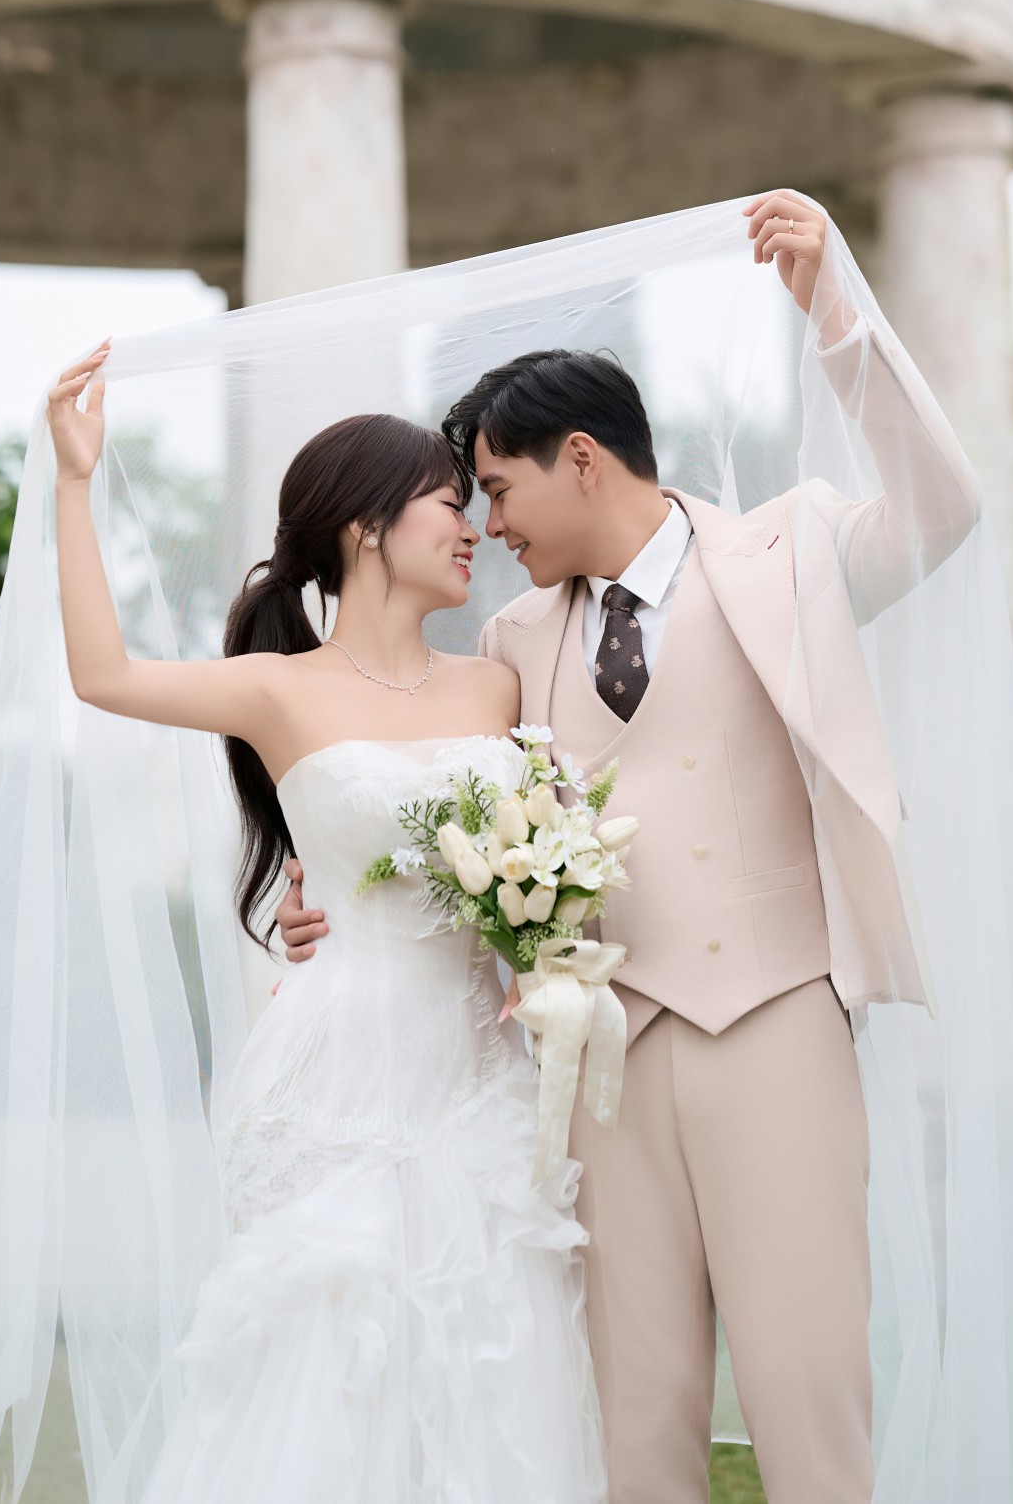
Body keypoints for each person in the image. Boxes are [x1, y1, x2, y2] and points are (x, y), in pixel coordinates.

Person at [276, 188, 984, 1504]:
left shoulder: (790, 550)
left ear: (582, 458)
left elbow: (943, 507)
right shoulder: (508, 646)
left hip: (776, 1021)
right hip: (594, 1065)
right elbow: (416, 788)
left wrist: (836, 310)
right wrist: (329, 884)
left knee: (807, 1396)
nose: (489, 528)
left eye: (499, 489)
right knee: (635, 1422)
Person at [45, 378, 606, 1503]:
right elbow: (102, 675)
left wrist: (542, 939)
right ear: (365, 526)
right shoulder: (275, 689)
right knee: (329, 1353)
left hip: (481, 1075)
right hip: (339, 1071)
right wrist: (72, 478)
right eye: (449, 504)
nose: (473, 528)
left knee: (493, 1346)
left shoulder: (497, 683)